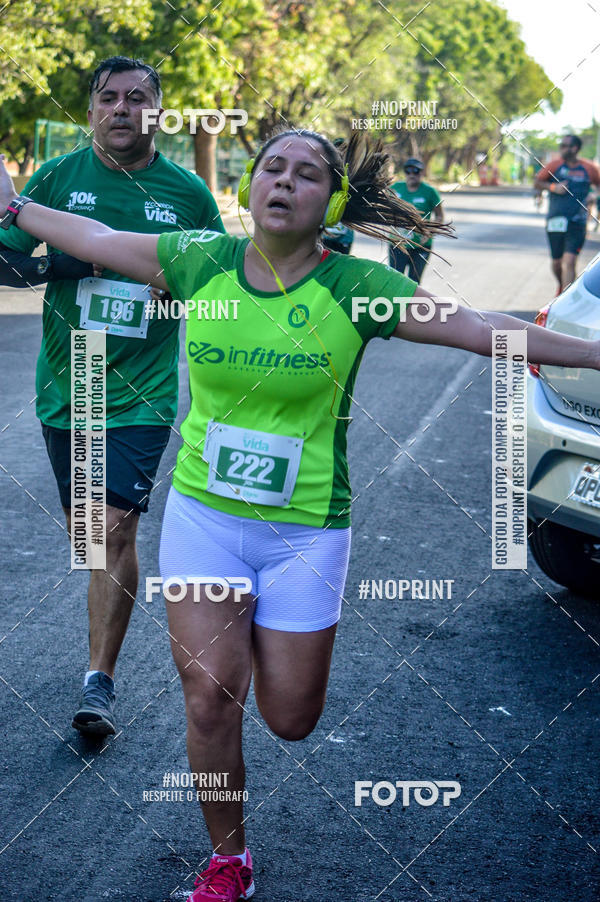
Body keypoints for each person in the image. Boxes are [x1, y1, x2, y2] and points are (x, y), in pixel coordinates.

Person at [2, 128, 599, 901]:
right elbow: (95, 235)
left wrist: (590, 353)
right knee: (210, 699)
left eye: (307, 174)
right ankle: (229, 862)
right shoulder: (197, 260)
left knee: (288, 718)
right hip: (206, 520)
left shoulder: (356, 287)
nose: (283, 182)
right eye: (271, 168)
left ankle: (265, 636)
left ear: (332, 201)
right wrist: (17, 205)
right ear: (251, 189)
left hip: (304, 534)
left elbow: (478, 327)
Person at [0, 56, 224, 737]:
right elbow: (8, 260)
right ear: (91, 109)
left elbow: (218, 282)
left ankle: (100, 681)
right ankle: (101, 652)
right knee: (89, 536)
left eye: (137, 98)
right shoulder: (58, 179)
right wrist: (74, 262)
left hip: (142, 390)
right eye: (108, 98)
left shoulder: (187, 193)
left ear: (158, 111)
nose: (122, 109)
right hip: (72, 381)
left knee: (113, 527)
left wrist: (179, 282)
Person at [534, 134, 600, 295]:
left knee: (569, 262)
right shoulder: (554, 165)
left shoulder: (589, 168)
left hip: (578, 221)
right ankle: (562, 286)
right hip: (556, 219)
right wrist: (553, 188)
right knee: (557, 263)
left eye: (565, 146)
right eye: (561, 145)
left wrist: (594, 195)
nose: (561, 148)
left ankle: (566, 298)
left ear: (575, 148)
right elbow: (537, 183)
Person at [388, 157, 444, 284]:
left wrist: (430, 231)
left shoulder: (430, 192)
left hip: (421, 246)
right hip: (398, 244)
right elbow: (384, 209)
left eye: (416, 171)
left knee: (414, 283)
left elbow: (439, 215)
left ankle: (411, 304)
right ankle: (396, 304)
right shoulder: (395, 188)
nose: (412, 175)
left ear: (422, 173)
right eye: (408, 171)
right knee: (395, 281)